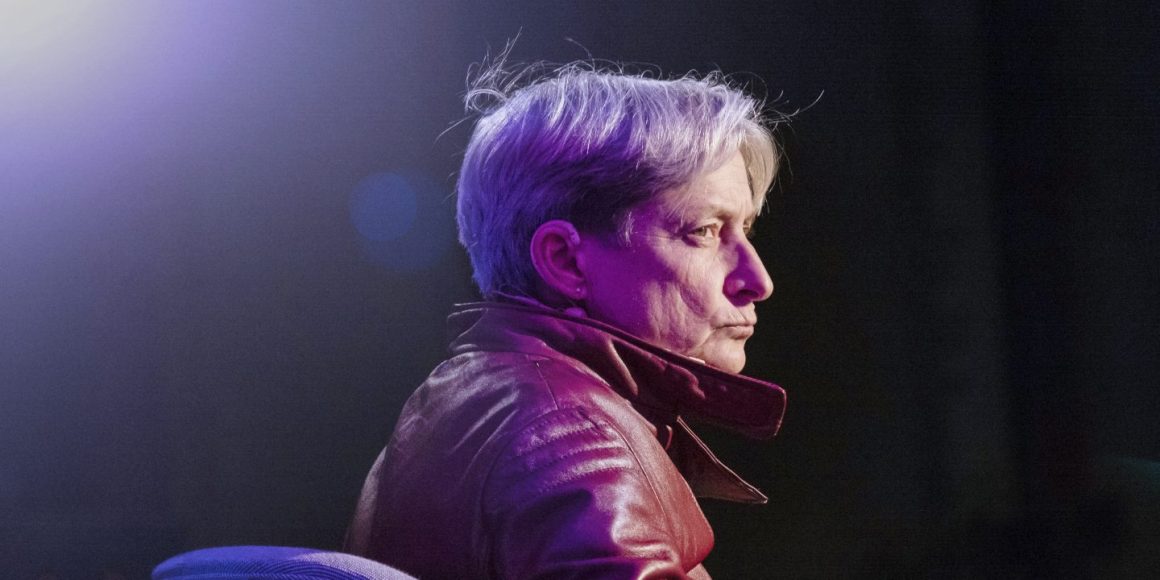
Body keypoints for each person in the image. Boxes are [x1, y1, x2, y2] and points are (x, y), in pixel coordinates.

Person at [344, 58, 788, 579]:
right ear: (564, 261)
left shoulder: (463, 394)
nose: (758, 280)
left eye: (745, 230)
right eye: (704, 232)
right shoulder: (570, 438)